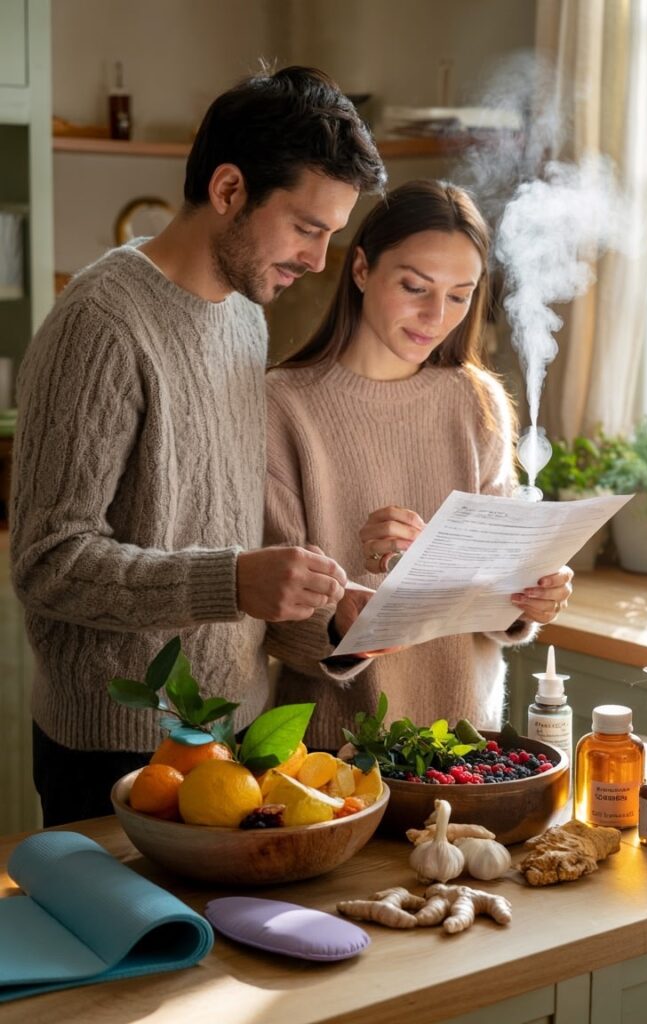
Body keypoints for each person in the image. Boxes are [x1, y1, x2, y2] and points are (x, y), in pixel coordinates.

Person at [10, 66, 387, 826]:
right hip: (121, 756)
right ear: (227, 191)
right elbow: (48, 564)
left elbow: (218, 548)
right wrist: (231, 582)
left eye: (331, 235)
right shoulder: (102, 323)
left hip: (239, 735)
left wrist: (331, 623)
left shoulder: (244, 317)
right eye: (307, 228)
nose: (319, 260)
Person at [265, 180, 574, 751]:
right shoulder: (283, 405)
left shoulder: (476, 401)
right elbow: (275, 622)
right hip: (332, 756)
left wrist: (530, 594)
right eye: (414, 286)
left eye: (460, 295)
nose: (436, 316)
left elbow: (498, 590)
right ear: (361, 269)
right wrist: (342, 613)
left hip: (465, 747)